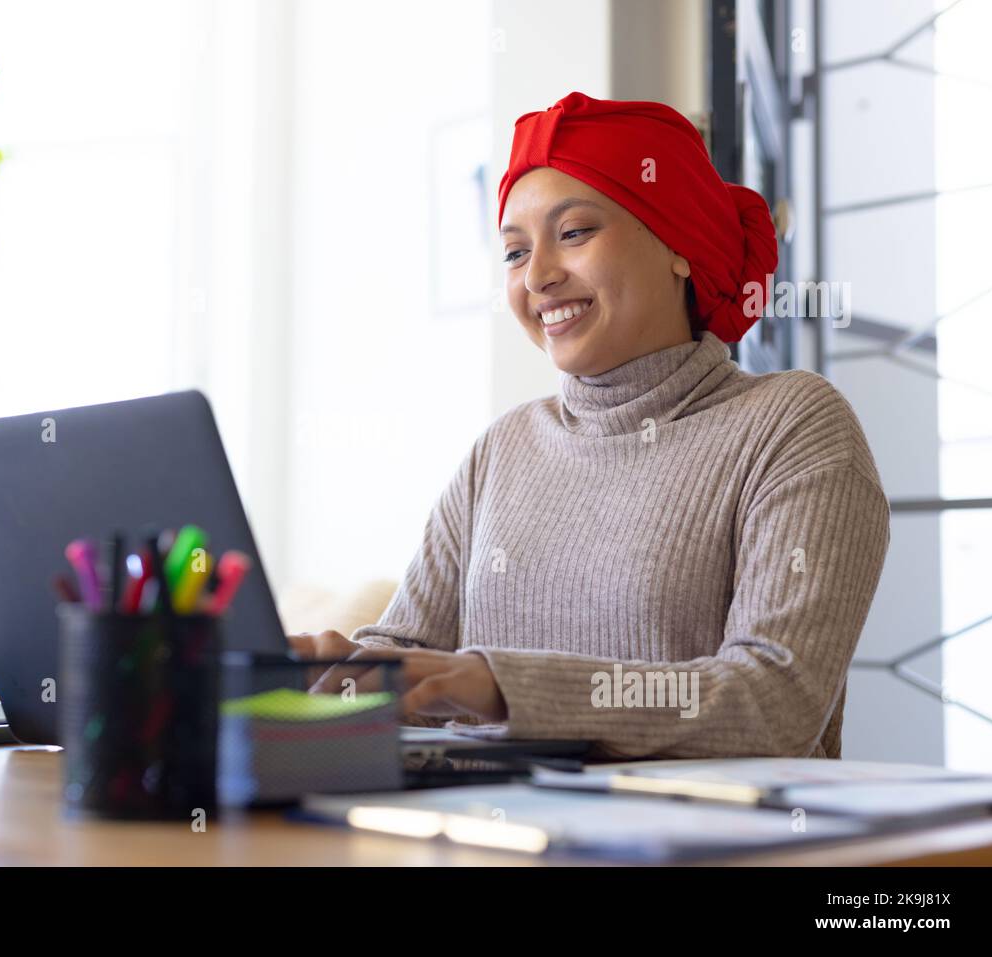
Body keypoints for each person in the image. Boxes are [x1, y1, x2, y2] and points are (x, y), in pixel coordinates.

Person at [287, 92, 890, 760]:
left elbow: (773, 700)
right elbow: (413, 664)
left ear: (678, 246)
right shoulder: (503, 449)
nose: (538, 276)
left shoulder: (791, 425)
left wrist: (502, 687)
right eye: (515, 253)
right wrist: (329, 677)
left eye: (573, 232)